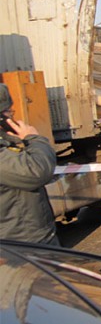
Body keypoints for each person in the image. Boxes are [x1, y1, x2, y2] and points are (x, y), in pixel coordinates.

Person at [0, 83, 59, 245]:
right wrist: (34, 138)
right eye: (7, 112)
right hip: (23, 243)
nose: (11, 117)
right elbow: (36, 171)